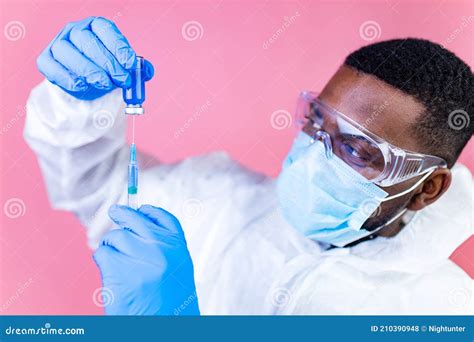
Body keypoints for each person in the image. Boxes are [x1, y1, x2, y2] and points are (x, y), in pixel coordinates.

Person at [25, 16, 473, 315]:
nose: (315, 154)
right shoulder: (216, 196)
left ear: (427, 188)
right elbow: (97, 190)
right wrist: (78, 104)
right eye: (316, 120)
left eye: (356, 151)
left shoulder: (442, 309)